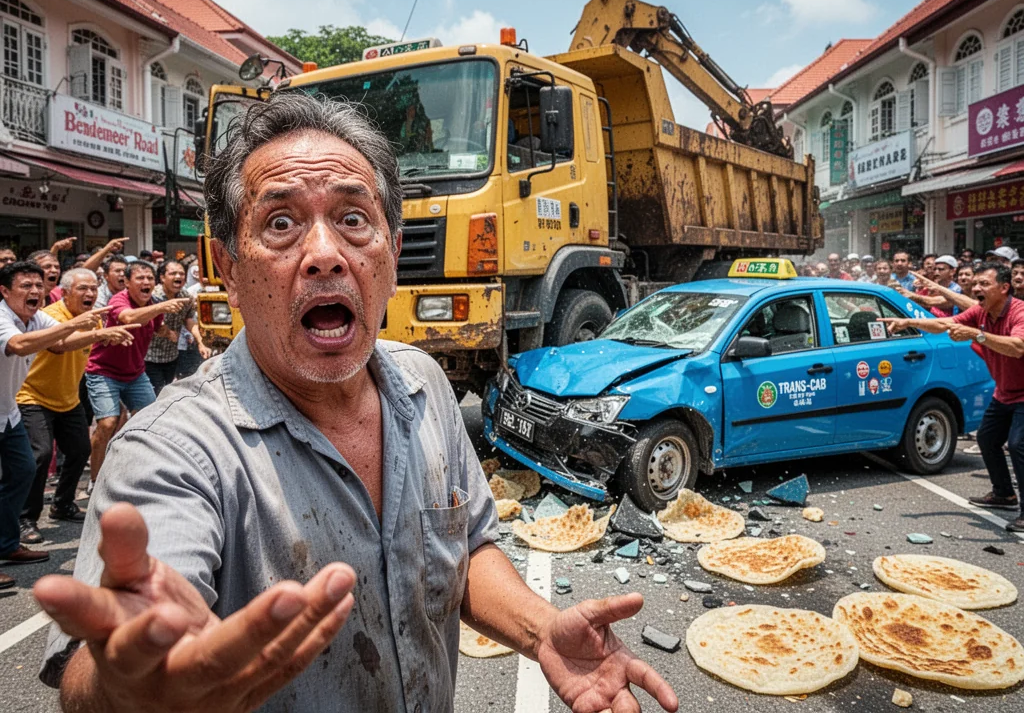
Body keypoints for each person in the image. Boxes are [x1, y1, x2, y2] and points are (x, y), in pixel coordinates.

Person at [35, 95, 679, 713]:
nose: (323, 255)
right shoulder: (170, 451)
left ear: (393, 258)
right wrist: (134, 690)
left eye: (353, 219)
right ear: (228, 271)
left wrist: (542, 631)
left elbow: (470, 546)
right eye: (280, 223)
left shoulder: (425, 386)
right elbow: (107, 666)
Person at [883, 263, 1024, 532]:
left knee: (1018, 445)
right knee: (987, 438)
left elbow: (1018, 347)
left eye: (984, 284)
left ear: (1004, 288)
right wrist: (907, 322)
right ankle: (1004, 494)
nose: (976, 288)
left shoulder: (1019, 312)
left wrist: (978, 335)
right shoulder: (981, 311)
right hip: (1004, 391)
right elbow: (943, 323)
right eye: (976, 284)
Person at [1, 262, 110, 588]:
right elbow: (19, 345)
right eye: (25, 286)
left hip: (8, 414)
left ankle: (7, 544)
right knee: (32, 461)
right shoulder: (3, 318)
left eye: (38, 286)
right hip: (21, 405)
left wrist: (99, 333)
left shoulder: (35, 317)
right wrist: (77, 323)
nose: (34, 291)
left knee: (23, 471)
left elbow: (60, 343)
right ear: (5, 292)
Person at [15, 269, 136, 544]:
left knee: (80, 450)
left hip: (68, 398)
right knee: (41, 454)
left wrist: (104, 334)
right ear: (65, 292)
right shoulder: (52, 316)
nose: (90, 294)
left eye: (93, 288)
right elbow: (60, 345)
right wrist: (100, 334)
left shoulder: (92, 319)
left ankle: (63, 504)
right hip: (34, 397)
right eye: (83, 289)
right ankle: (25, 518)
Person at [84, 261, 190, 482]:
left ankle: (138, 473)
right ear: (127, 282)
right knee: (107, 423)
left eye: (149, 278)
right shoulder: (119, 300)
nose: (146, 282)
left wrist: (168, 333)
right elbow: (129, 318)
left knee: (151, 420)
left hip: (135, 374)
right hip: (104, 372)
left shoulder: (154, 305)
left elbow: (156, 325)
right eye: (140, 278)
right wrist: (161, 307)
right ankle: (95, 482)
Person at [144, 260, 211, 396]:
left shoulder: (186, 297)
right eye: (173, 273)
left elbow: (189, 321)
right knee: (155, 397)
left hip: (172, 357)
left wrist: (201, 342)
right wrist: (166, 332)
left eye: (181, 273)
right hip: (149, 358)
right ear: (162, 277)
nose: (178, 277)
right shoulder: (151, 296)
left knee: (166, 392)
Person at [898, 255, 969, 317]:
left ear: (952, 271)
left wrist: (908, 294)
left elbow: (931, 302)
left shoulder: (956, 289)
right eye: (935, 269)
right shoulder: (929, 288)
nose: (936, 272)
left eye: (941, 269)